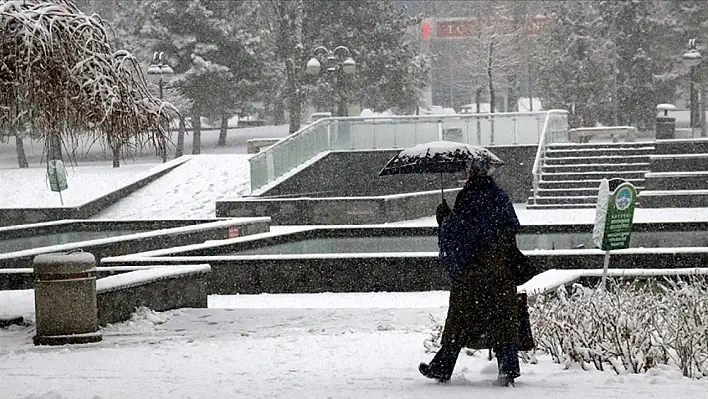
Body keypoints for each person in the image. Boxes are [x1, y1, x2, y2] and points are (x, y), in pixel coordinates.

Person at [418, 159, 534, 387]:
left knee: (459, 321)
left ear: (471, 171)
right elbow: (509, 228)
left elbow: (460, 236)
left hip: (474, 272)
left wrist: (444, 219)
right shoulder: (499, 194)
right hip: (500, 270)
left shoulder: (469, 196)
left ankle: (442, 368)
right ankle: (508, 370)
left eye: (466, 168)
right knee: (503, 319)